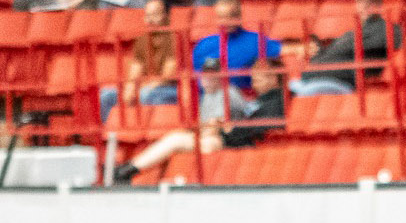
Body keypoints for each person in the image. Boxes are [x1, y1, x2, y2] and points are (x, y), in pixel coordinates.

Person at [110, 55, 285, 184]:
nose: (255, 79)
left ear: (276, 78)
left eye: (261, 75)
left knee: (177, 140)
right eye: (254, 74)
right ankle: (129, 170)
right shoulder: (258, 99)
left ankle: (126, 171)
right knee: (176, 138)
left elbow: (260, 128)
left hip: (229, 143)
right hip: (224, 138)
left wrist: (228, 127)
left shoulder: (274, 99)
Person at [291, 0, 404, 97]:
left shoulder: (389, 29)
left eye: (370, 1)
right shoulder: (350, 34)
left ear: (379, 4)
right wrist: (317, 50)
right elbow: (333, 52)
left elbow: (393, 41)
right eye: (360, 1)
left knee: (295, 96)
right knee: (279, 92)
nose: (365, 6)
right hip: (311, 79)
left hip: (338, 82)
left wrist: (342, 46)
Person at [99, 0, 183, 124]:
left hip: (169, 89)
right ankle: (111, 136)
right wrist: (130, 87)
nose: (150, 20)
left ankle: (143, 134)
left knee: (145, 95)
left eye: (155, 15)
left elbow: (168, 75)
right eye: (148, 15)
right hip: (146, 87)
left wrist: (143, 88)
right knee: (106, 95)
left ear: (167, 16)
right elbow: (136, 67)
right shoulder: (142, 39)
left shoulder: (175, 38)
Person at [189, 0, 281, 95]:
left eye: (231, 16)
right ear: (216, 19)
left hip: (242, 100)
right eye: (221, 17)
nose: (226, 21)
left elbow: (287, 50)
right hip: (210, 100)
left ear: (239, 17)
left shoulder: (256, 40)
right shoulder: (203, 45)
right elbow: (194, 79)